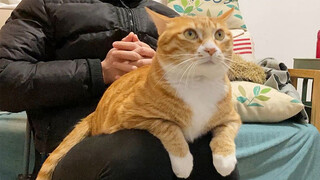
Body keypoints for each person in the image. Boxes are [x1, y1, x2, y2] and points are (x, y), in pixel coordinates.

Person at [0, 0, 240, 179]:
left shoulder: (167, 18)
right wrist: (99, 71)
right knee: (134, 157)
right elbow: (5, 79)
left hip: (163, 124)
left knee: (221, 161)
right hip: (79, 141)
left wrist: (165, 68)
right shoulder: (45, 4)